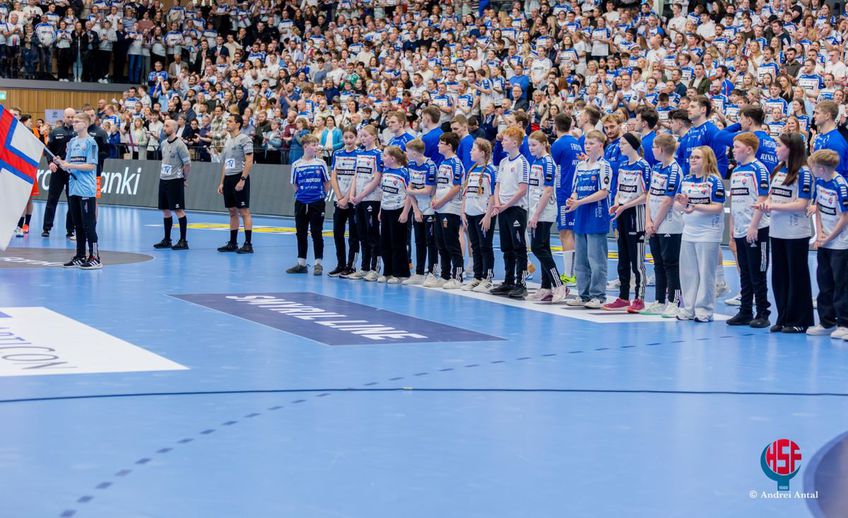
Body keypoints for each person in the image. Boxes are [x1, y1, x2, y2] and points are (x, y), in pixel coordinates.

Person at [762, 133, 814, 333]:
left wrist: (773, 206)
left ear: (790, 149)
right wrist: (766, 203)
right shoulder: (778, 169)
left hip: (796, 232)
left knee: (797, 275)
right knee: (779, 276)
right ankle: (783, 316)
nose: (775, 149)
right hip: (777, 231)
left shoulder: (804, 172)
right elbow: (771, 196)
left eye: (778, 145)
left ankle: (800, 319)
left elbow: (802, 204)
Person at [675, 146, 726, 322]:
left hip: (708, 233)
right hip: (688, 231)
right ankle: (688, 308)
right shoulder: (687, 180)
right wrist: (682, 204)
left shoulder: (714, 181)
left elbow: (717, 207)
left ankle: (704, 309)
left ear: (707, 160)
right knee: (689, 273)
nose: (693, 160)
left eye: (697, 157)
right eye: (691, 157)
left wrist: (695, 206)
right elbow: (680, 206)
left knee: (706, 273)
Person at [727, 133, 771, 328]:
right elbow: (734, 202)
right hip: (739, 228)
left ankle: (763, 312)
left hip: (756, 229)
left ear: (749, 149)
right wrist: (732, 229)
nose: (733, 150)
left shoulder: (759, 170)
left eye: (737, 146)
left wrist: (753, 226)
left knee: (757, 272)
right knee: (744, 272)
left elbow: (762, 199)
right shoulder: (736, 171)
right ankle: (745, 311)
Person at [565, 130, 612, 309]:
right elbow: (575, 188)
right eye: (586, 143)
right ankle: (583, 294)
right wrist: (573, 199)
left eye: (591, 143)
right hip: (580, 215)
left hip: (596, 215)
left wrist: (580, 201)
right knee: (581, 260)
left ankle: (598, 295)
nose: (588, 146)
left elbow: (603, 192)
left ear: (600, 145)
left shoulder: (604, 166)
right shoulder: (580, 166)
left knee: (596, 259)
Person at [605, 133, 650, 312]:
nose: (620, 147)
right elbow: (618, 189)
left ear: (632, 145)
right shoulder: (623, 165)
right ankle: (623, 296)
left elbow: (646, 195)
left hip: (635, 214)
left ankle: (639, 298)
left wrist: (625, 206)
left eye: (623, 144)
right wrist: (617, 203)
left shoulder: (643, 166)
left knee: (637, 260)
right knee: (622, 258)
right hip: (622, 213)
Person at [806, 150, 848, 339]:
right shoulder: (820, 182)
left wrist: (829, 237)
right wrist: (820, 233)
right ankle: (827, 321)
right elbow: (818, 208)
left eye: (813, 166)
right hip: (825, 240)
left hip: (840, 242)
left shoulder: (840, 185)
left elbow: (845, 216)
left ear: (820, 168)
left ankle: (844, 323)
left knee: (841, 284)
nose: (811, 169)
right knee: (824, 282)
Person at [641, 134, 683, 317]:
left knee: (671, 264)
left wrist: (655, 223)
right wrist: (648, 220)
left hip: (670, 224)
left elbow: (668, 200)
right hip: (654, 224)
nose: (652, 150)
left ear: (662, 149)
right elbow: (650, 194)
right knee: (658, 263)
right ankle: (659, 301)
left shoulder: (674, 170)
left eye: (654, 147)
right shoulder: (657, 167)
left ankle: (675, 301)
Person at [527, 131, 568, 303]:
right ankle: (545, 287)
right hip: (536, 209)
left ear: (544, 144)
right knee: (544, 247)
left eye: (534, 145)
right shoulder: (535, 161)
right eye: (529, 145)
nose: (531, 148)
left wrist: (536, 214)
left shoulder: (548, 162)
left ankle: (559, 285)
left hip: (544, 211)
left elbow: (548, 190)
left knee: (538, 248)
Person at [490, 126, 530, 299]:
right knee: (506, 246)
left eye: (505, 140)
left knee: (519, 246)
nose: (502, 142)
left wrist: (505, 205)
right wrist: (498, 202)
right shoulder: (504, 162)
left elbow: (522, 190)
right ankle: (508, 281)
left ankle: (521, 283)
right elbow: (498, 184)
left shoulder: (522, 162)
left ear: (514, 143)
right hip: (503, 208)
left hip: (515, 209)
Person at [57, 112, 101, 269]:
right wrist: (60, 162)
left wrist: (70, 166)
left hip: (86, 190)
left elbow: (91, 165)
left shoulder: (91, 143)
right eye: (73, 121)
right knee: (78, 225)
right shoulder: (72, 142)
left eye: (77, 121)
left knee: (89, 224)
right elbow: (67, 164)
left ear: (85, 124)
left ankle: (95, 257)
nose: (73, 123)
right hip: (73, 188)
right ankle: (80, 256)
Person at [425, 131, 465, 289]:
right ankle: (444, 274)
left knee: (451, 243)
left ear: (449, 146)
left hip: (450, 208)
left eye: (441, 143)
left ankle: (457, 276)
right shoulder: (442, 163)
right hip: (439, 208)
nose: (437, 145)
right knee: (440, 243)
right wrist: (435, 199)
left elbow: (456, 187)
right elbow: (440, 185)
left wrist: (441, 201)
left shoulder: (456, 163)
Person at [287, 134, 330, 275]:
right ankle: (301, 264)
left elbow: (326, 182)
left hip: (317, 202)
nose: (316, 147)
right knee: (301, 233)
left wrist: (321, 196)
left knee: (317, 232)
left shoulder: (321, 163)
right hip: (301, 202)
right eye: (313, 145)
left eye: (317, 145)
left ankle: (318, 263)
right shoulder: (296, 165)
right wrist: (302, 195)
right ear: (305, 147)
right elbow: (294, 184)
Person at [461, 138, 497, 293]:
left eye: (473, 149)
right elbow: (466, 193)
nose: (470, 152)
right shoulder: (472, 170)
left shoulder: (490, 171)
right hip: (471, 213)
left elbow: (493, 195)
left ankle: (487, 277)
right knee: (475, 246)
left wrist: (488, 216)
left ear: (482, 153)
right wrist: (463, 212)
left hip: (483, 214)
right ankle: (477, 276)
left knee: (485, 246)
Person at [348, 125, 383, 281]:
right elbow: (355, 175)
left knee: (373, 234)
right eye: (361, 136)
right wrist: (352, 194)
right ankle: (364, 267)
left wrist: (361, 195)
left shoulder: (378, 155)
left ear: (374, 137)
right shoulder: (359, 153)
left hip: (372, 199)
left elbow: (377, 179)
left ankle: (374, 268)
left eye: (365, 136)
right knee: (361, 233)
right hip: (359, 200)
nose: (362, 138)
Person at [550, 113, 582, 286]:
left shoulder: (558, 144)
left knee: (565, 232)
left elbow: (552, 167)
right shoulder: (576, 143)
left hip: (564, 192)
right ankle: (574, 272)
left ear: (555, 126)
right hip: (575, 191)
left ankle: (569, 274)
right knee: (572, 231)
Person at [216, 114, 254, 254]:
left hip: (239, 177)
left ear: (238, 124)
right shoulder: (228, 140)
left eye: (230, 121)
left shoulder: (244, 139)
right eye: (227, 121)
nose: (228, 123)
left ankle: (248, 244)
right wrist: (222, 183)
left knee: (244, 211)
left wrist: (242, 180)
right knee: (232, 211)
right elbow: (226, 164)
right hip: (229, 179)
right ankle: (232, 243)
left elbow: (249, 161)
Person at [403, 138, 438, 286]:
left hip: (430, 207)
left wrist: (411, 190)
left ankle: (432, 272)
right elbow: (410, 188)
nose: (406, 153)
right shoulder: (411, 165)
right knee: (419, 241)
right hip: (418, 206)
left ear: (415, 153)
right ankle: (418, 272)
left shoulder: (430, 166)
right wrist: (416, 210)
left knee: (431, 242)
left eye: (408, 151)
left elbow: (429, 190)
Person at [153, 119, 191, 251]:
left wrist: (184, 178)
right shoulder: (163, 143)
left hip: (175, 180)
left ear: (173, 129)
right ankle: (167, 239)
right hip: (163, 179)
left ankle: (183, 240)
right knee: (165, 210)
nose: (164, 127)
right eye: (164, 125)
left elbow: (187, 164)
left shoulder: (180, 145)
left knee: (178, 210)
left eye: (167, 126)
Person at [378, 146, 411, 283]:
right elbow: (384, 192)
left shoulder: (404, 173)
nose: (382, 158)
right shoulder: (386, 171)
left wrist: (405, 212)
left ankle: (400, 273)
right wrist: (380, 210)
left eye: (385, 155)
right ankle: (388, 272)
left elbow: (409, 194)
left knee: (398, 243)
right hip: (386, 209)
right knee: (385, 242)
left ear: (392, 158)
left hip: (398, 210)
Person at [329, 126, 359, 277]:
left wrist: (347, 197)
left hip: (353, 200)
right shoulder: (337, 153)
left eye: (351, 137)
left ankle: (351, 265)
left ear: (356, 138)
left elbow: (356, 177)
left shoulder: (359, 154)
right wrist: (339, 197)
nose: (348, 140)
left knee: (354, 234)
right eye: (345, 137)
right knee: (337, 232)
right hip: (339, 200)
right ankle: (340, 264)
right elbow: (333, 176)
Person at [42, 108, 76, 239]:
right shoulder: (56, 132)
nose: (71, 119)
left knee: (72, 201)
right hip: (57, 170)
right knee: (52, 199)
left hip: (72, 170)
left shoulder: (77, 132)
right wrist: (50, 162)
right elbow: (48, 149)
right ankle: (46, 228)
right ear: (64, 117)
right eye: (68, 117)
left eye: (73, 117)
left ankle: (70, 230)